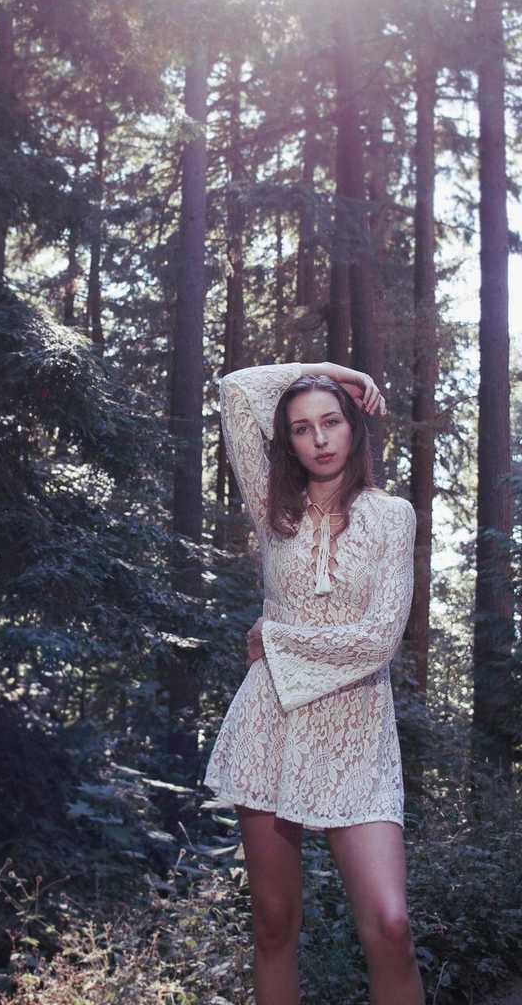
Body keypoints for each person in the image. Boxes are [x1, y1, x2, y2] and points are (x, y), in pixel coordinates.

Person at [202, 360, 425, 1005]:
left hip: (357, 734)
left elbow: (379, 639)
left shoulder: (391, 517)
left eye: (331, 422)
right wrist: (333, 371)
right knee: (273, 925)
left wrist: (274, 637)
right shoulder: (272, 506)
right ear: (289, 440)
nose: (319, 439)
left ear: (354, 428)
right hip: (270, 726)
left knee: (391, 926)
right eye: (301, 428)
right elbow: (240, 391)